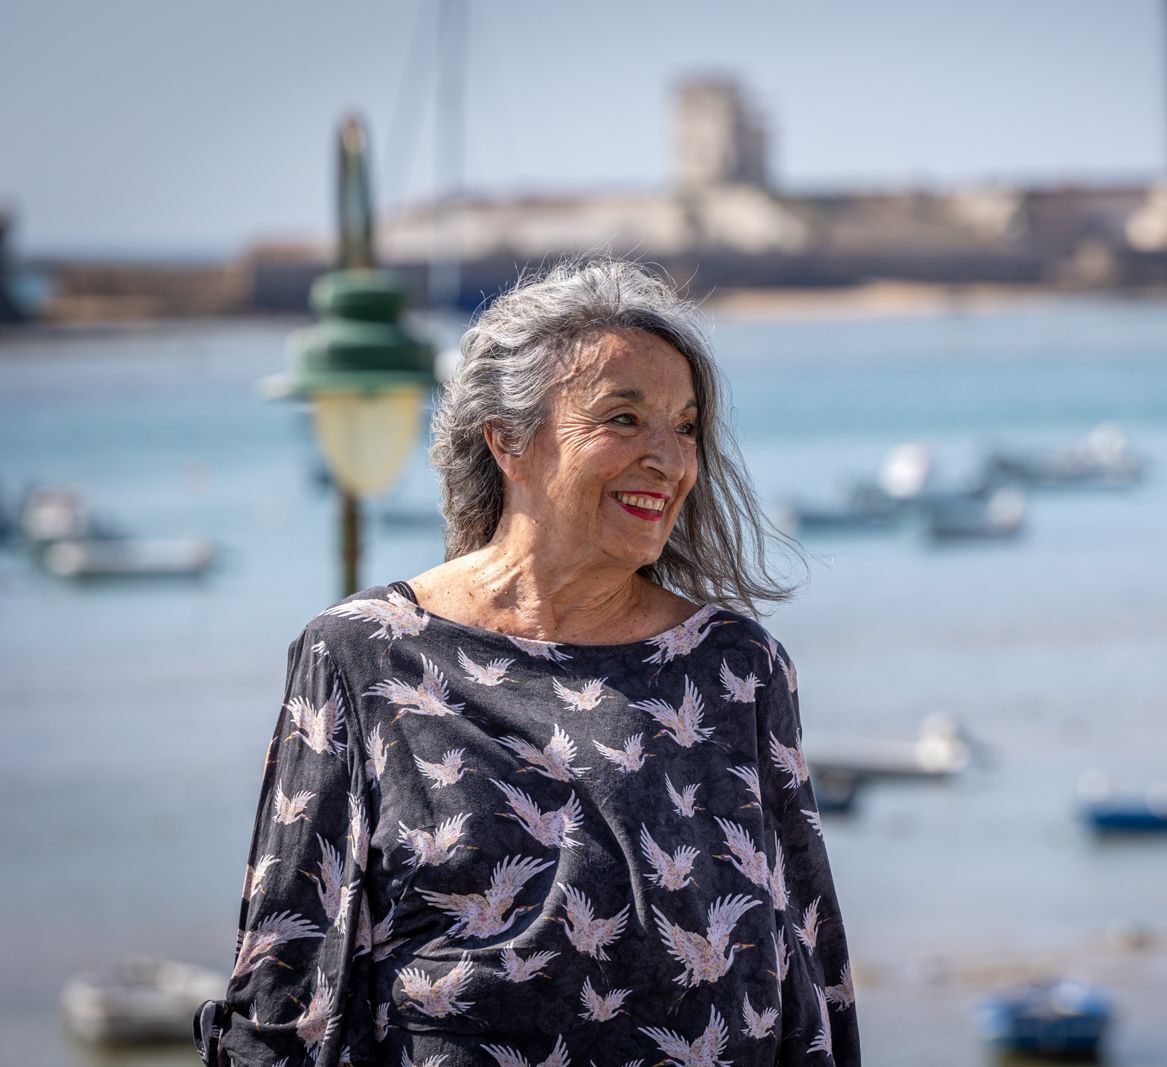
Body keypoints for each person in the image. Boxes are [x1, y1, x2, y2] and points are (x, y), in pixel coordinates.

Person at [195, 258, 859, 1066]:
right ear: (508, 439)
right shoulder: (363, 655)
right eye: (624, 418)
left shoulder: (736, 668)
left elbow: (812, 961)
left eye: (685, 427)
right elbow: (285, 971)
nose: (671, 459)